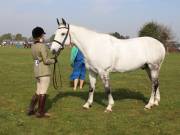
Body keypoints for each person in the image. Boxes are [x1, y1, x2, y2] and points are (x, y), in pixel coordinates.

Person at [27, 26, 56, 118]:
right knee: (43, 91)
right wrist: (54, 60)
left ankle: (31, 109)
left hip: (37, 71)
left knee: (38, 91)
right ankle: (40, 112)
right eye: (43, 34)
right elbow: (46, 61)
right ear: (40, 35)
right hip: (44, 72)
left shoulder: (33, 46)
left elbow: (37, 60)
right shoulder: (42, 46)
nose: (43, 36)